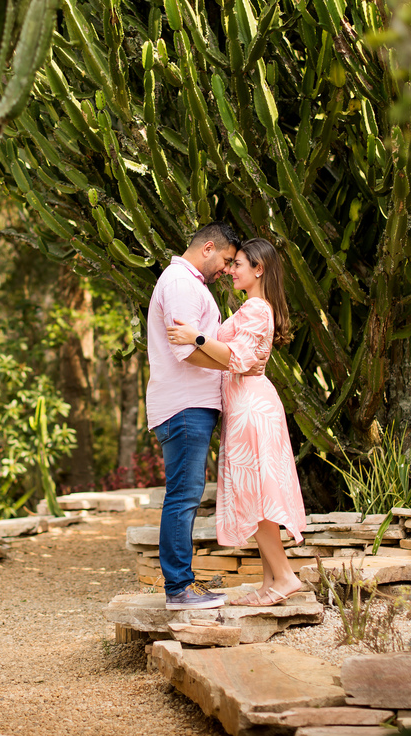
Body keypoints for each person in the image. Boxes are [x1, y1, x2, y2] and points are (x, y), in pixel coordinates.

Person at [166, 238, 307, 606]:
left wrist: (195, 337)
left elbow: (239, 360)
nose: (231, 270)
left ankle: (286, 577)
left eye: (239, 264)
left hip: (251, 407)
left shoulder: (257, 309)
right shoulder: (252, 308)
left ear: (259, 269)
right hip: (245, 404)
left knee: (258, 496)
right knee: (256, 494)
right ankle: (270, 582)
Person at [147, 222, 266, 611]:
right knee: (183, 497)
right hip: (184, 407)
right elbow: (186, 349)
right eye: (227, 260)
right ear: (209, 247)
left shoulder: (190, 283)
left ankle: (181, 584)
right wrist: (231, 365)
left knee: (186, 495)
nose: (227, 270)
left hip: (191, 405)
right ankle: (178, 589)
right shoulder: (181, 283)